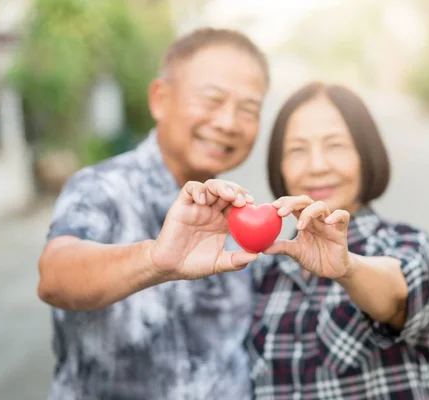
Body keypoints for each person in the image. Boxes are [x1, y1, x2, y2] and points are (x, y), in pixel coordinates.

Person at [37, 28, 269, 400]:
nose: (228, 122)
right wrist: (155, 260)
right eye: (212, 100)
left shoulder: (240, 211)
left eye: (247, 109)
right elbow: (54, 275)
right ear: (160, 99)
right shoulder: (102, 187)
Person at [246, 82, 429, 399]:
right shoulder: (266, 270)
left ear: (365, 154)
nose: (318, 166)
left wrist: (347, 268)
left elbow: (396, 296)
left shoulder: (403, 243)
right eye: (297, 150)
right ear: (279, 166)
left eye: (335, 145)